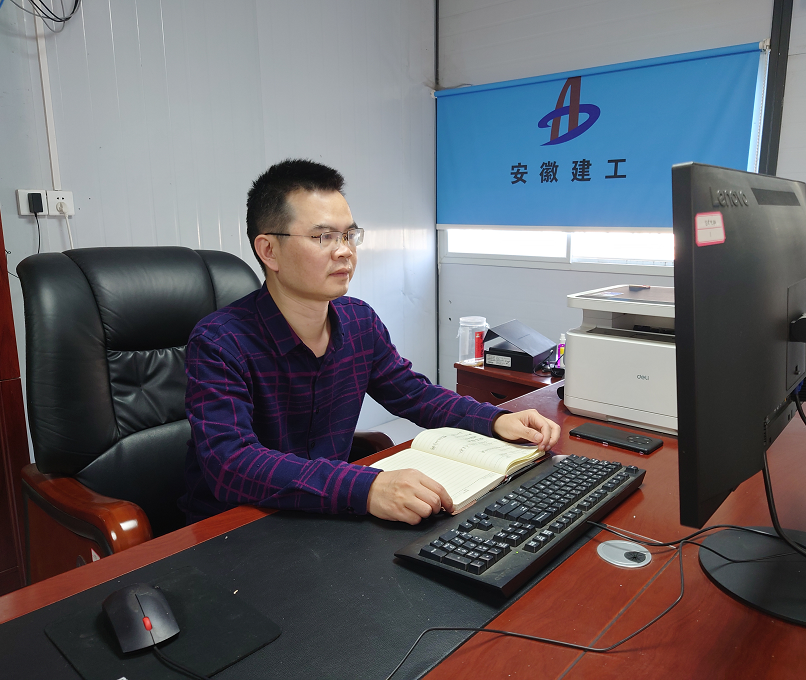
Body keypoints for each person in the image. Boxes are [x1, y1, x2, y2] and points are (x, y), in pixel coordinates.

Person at [181, 159, 560, 525]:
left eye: (349, 235)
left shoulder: (359, 321)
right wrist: (367, 488)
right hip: (238, 526)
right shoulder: (220, 342)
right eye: (323, 237)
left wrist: (495, 419)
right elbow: (231, 464)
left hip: (325, 515)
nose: (344, 250)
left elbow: (415, 395)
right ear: (269, 251)